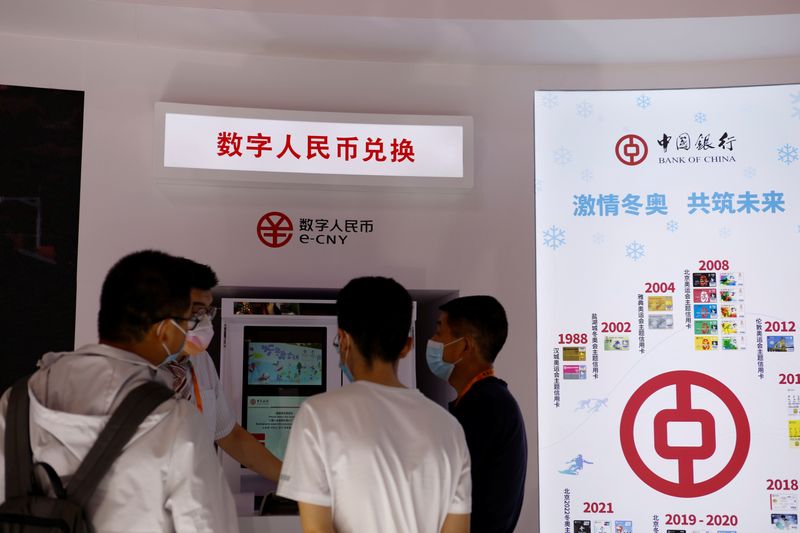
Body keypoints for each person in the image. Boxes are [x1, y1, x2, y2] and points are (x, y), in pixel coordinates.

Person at [0, 250, 238, 532]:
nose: (194, 327)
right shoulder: (175, 420)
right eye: (190, 318)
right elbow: (207, 526)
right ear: (164, 331)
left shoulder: (16, 402)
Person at [277, 276, 471, 533]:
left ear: (343, 340)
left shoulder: (317, 415)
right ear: (407, 346)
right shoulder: (450, 428)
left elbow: (317, 529)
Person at [160, 259, 282, 482]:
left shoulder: (200, 360)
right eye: (196, 314)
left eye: (208, 312)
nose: (206, 323)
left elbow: (231, 435)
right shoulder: (125, 371)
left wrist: (295, 484)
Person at [427, 295, 527, 533]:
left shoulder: (486, 407)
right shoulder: (488, 400)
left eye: (439, 333)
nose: (432, 341)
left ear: (464, 346)